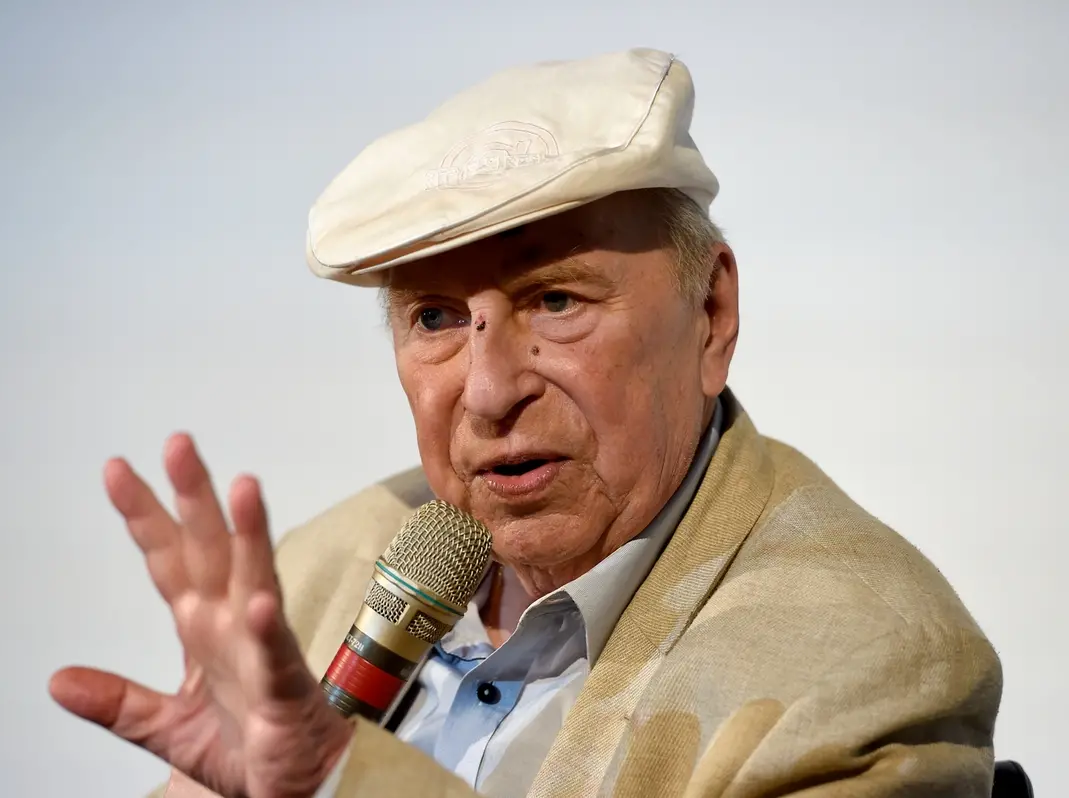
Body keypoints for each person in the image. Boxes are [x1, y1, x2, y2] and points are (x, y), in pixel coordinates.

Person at [49, 48, 1003, 797]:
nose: (487, 391)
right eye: (434, 318)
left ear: (710, 316)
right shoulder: (311, 578)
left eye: (555, 301)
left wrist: (338, 780)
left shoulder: (863, 666)